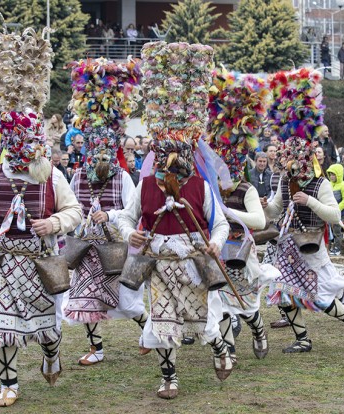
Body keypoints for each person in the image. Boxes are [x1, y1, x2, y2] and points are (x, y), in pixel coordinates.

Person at [0, 27, 83, 408]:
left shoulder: (52, 175)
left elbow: (73, 210)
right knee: (0, 329)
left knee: (46, 328)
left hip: (40, 262)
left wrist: (54, 223)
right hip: (0, 263)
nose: (22, 150)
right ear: (7, 142)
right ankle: (9, 384)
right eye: (16, 143)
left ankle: (51, 355)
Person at [118, 42, 233, 399]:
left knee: (202, 321)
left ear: (187, 153)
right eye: (163, 152)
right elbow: (126, 217)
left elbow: (220, 224)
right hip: (159, 265)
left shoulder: (200, 186)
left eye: (176, 153)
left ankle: (220, 350)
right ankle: (169, 378)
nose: (169, 159)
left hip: (193, 264)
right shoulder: (146, 185)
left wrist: (215, 242)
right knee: (162, 322)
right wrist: (130, 235)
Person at [63, 64, 148, 366]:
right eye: (94, 154)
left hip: (114, 249)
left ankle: (147, 331)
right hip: (86, 249)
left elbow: (131, 212)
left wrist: (109, 215)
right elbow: (70, 209)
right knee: (84, 299)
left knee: (127, 300)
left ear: (113, 153)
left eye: (105, 154)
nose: (99, 160)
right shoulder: (76, 178)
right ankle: (96, 348)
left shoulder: (123, 177)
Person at [205, 70, 280, 364]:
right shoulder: (210, 188)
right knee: (220, 302)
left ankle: (258, 331)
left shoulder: (246, 188)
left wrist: (228, 212)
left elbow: (259, 222)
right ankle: (229, 350)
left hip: (242, 252)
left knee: (247, 306)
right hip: (218, 252)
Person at [264, 129, 344, 354]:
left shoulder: (321, 184)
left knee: (320, 296)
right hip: (287, 246)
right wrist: (264, 206)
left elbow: (335, 216)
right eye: (287, 159)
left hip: (311, 246)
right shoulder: (285, 181)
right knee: (284, 294)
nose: (289, 164)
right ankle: (303, 339)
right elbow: (275, 209)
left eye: (294, 159)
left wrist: (310, 201)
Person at [326, 163, 344, 254]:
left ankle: (338, 248)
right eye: (330, 174)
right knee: (329, 231)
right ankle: (330, 246)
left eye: (333, 175)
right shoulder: (329, 184)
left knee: (337, 231)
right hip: (328, 212)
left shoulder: (343, 185)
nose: (331, 177)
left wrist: (337, 208)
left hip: (339, 213)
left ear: (338, 175)